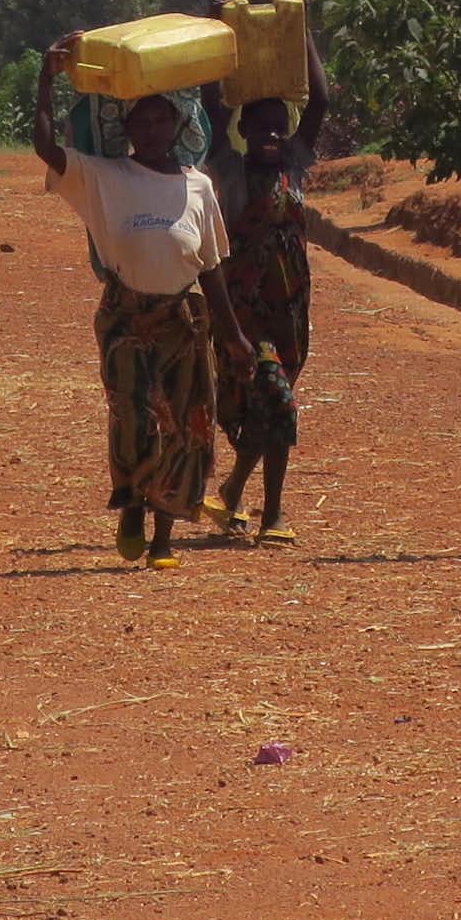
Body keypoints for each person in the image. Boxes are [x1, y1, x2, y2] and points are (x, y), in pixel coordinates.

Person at [34, 35, 252, 570]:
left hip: (184, 317)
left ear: (178, 128)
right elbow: (44, 146)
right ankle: (131, 501)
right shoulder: (103, 177)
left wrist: (234, 336)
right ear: (126, 131)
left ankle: (162, 538)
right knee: (133, 418)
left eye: (161, 122)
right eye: (142, 122)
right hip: (126, 317)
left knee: (184, 423)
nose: (152, 130)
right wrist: (46, 77)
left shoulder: (198, 186)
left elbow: (212, 266)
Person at [199, 34, 331, 545]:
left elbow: (318, 99)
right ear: (244, 129)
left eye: (281, 123)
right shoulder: (230, 170)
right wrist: (218, 34)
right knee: (277, 400)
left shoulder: (295, 167)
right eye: (262, 124)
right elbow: (212, 105)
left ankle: (232, 488)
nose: (273, 132)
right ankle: (272, 512)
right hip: (244, 311)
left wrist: (301, 29)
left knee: (271, 403)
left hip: (292, 310)